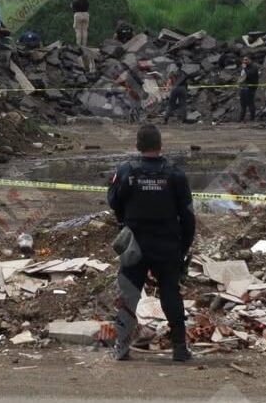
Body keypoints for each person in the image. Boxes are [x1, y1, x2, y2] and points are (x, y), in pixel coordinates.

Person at [107, 124, 196, 362]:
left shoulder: (127, 171)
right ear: (160, 146)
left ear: (138, 146)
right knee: (170, 293)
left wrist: (125, 224)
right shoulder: (175, 174)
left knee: (129, 295)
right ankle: (179, 348)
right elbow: (188, 215)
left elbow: (113, 201)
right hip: (167, 244)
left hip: (134, 244)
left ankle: (121, 347)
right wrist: (184, 246)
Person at [238, 55, 260, 122]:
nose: (244, 61)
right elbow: (242, 77)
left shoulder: (254, 67)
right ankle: (241, 119)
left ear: (250, 60)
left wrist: (244, 68)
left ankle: (252, 118)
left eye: (246, 59)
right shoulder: (245, 67)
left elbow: (250, 75)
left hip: (251, 88)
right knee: (243, 104)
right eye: (244, 60)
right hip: (244, 87)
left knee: (250, 103)